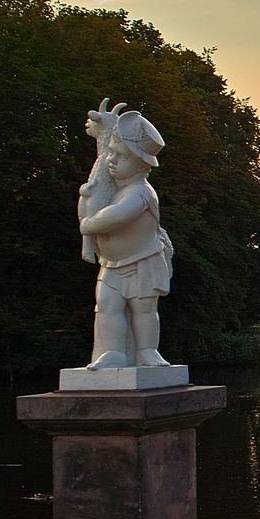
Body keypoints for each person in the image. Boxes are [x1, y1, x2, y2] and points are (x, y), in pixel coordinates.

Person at [78, 110, 175, 369]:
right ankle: (113, 352)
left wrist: (88, 225)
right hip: (112, 263)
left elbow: (118, 216)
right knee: (107, 308)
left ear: (142, 165)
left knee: (143, 310)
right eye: (112, 154)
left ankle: (146, 351)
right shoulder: (116, 190)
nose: (112, 161)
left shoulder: (141, 193)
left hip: (143, 261)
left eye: (121, 157)